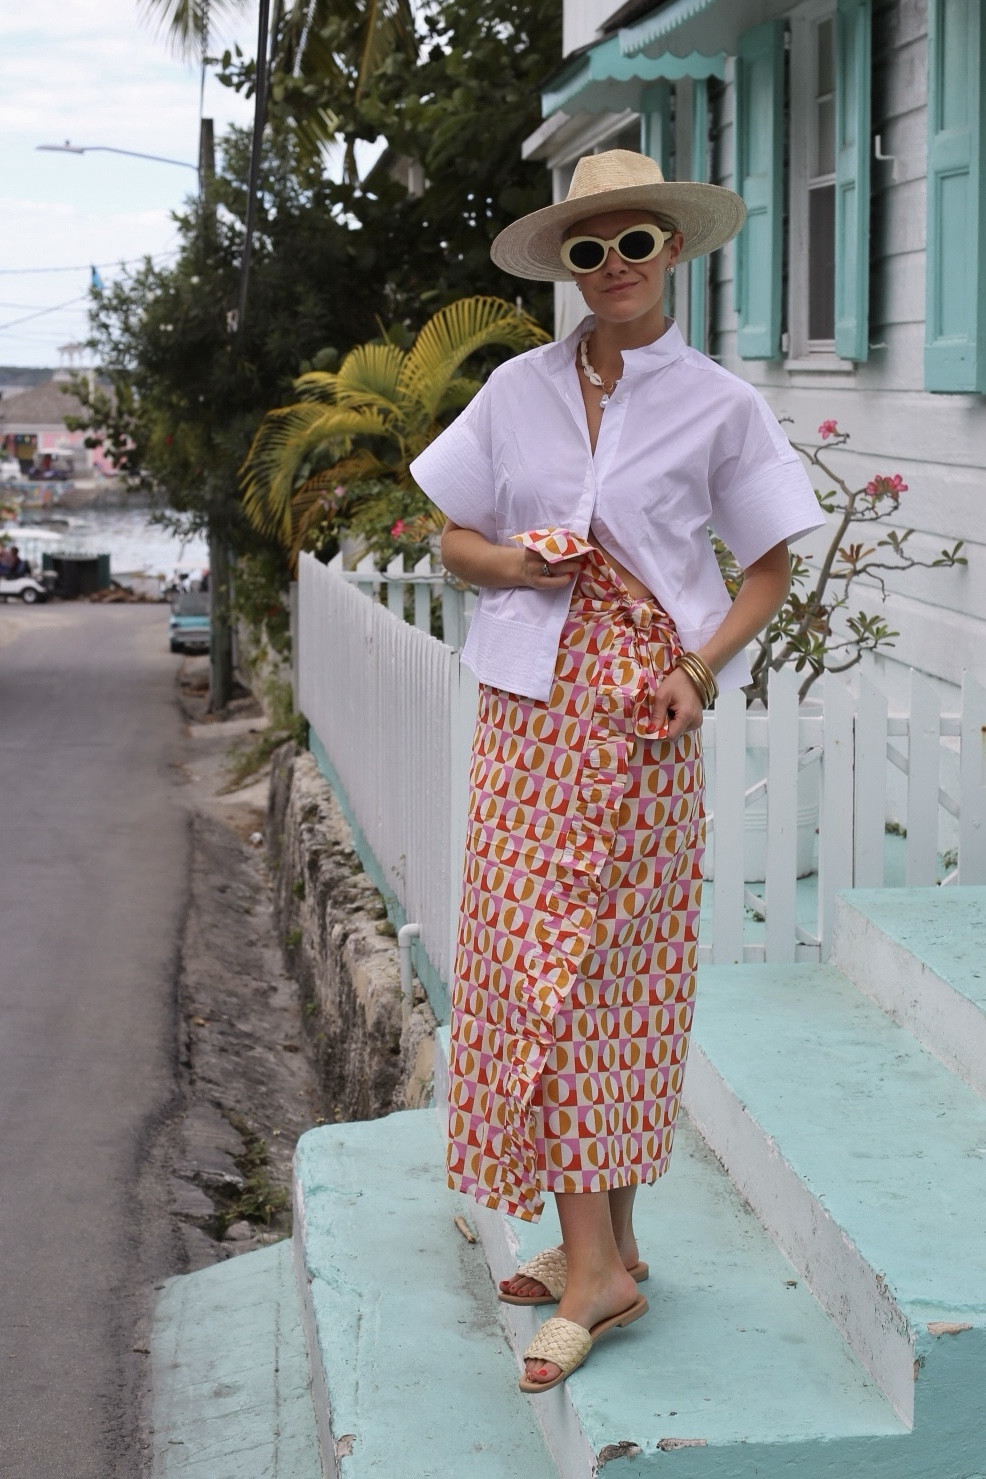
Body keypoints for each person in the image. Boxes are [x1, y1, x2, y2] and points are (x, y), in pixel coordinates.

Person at [409, 150, 825, 1395]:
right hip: (528, 709)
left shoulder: (717, 403)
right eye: (588, 252)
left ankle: (597, 1272)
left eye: (633, 243)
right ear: (567, 268)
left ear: (672, 253)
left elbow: (765, 569)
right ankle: (612, 1246)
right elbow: (449, 530)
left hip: (643, 713)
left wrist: (695, 672)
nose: (614, 269)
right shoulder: (517, 391)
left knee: (603, 977)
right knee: (527, 964)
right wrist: (504, 567)